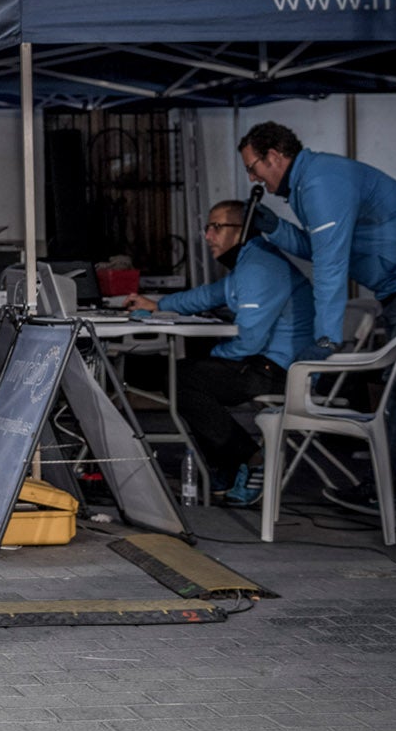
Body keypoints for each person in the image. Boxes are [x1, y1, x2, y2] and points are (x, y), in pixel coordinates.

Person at [240, 120, 396, 490]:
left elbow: (330, 263)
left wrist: (327, 337)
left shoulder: (321, 181)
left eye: (253, 168)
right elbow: (324, 247)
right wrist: (276, 229)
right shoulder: (313, 180)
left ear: (274, 156)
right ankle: (385, 490)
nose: (252, 180)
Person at [125, 199, 314, 505]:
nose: (208, 235)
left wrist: (216, 353)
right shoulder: (251, 263)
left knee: (181, 379)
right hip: (271, 365)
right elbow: (208, 296)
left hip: (281, 372)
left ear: (242, 231)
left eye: (217, 227)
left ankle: (247, 458)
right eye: (207, 227)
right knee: (185, 376)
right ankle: (229, 465)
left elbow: (250, 341)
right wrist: (157, 304)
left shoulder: (258, 267)